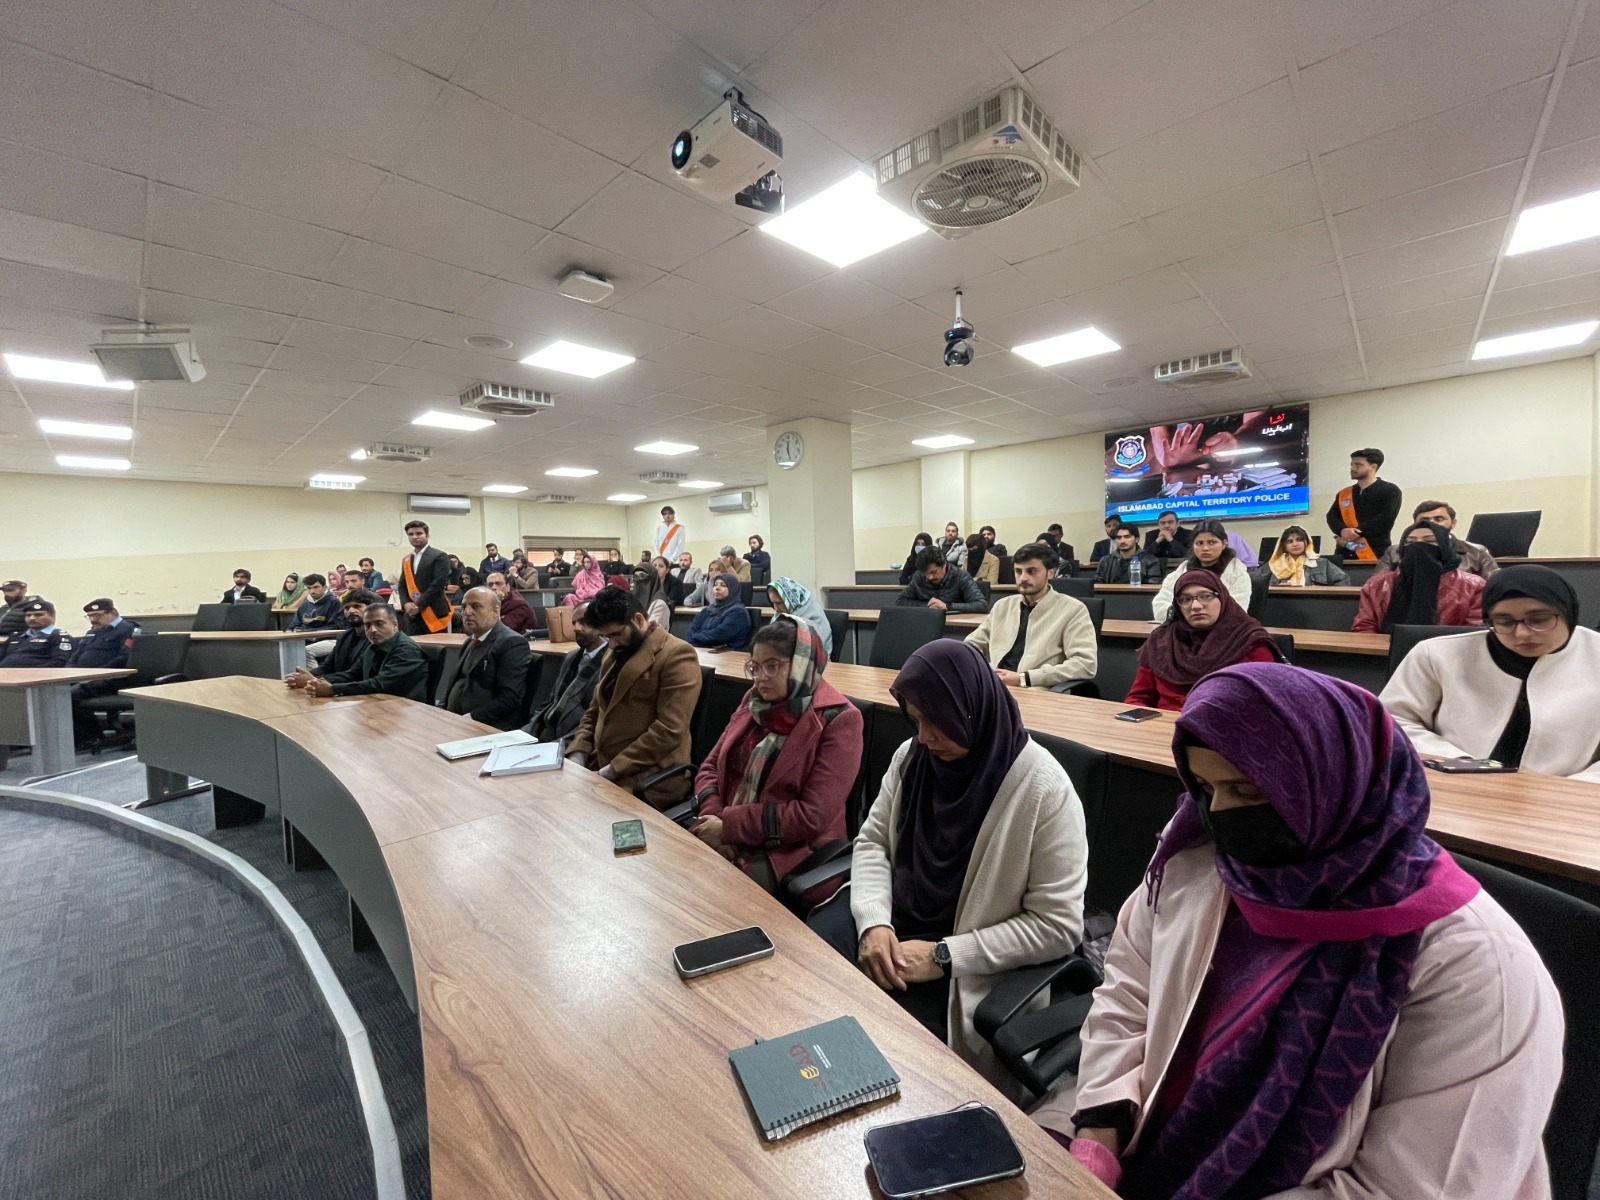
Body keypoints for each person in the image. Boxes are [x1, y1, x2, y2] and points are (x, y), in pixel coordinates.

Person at [1036, 663, 1563, 1199]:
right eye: (1205, 788)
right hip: (1152, 1144)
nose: (1221, 813)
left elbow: (1417, 1187)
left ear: (1330, 784)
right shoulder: (1198, 860)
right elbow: (1129, 994)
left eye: (1248, 790)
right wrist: (1099, 1129)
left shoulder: (1476, 964)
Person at [809, 640, 1087, 1089]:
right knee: (811, 978)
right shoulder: (912, 758)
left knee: (883, 1054)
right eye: (915, 720)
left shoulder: (1044, 790)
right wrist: (874, 921)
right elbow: (873, 843)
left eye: (936, 722)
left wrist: (944, 956)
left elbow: (1057, 927)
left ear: (972, 710)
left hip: (971, 960)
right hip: (895, 922)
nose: (923, 737)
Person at [690, 617, 861, 897]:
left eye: (772, 666)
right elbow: (710, 766)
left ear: (802, 664)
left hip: (788, 849)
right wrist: (716, 820)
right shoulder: (754, 699)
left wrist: (730, 827)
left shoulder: (840, 719)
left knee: (709, 893)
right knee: (675, 875)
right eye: (755, 667)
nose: (760, 678)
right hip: (724, 825)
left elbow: (811, 815)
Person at [1382, 565, 1600, 780]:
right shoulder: (1437, 654)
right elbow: (1393, 720)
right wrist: (1462, 764)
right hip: (1455, 782)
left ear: (1568, 613)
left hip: (1569, 793)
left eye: (1539, 619)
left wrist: (1573, 789)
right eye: (1504, 621)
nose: (1522, 633)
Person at [566, 585, 703, 803]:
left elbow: (669, 730)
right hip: (601, 765)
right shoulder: (615, 652)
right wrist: (578, 753)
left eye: (616, 634)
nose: (611, 644)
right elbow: (595, 710)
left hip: (647, 775)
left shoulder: (677, 655)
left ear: (638, 620)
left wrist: (612, 770)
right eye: (606, 636)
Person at [1125, 568, 1283, 711]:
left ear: (1222, 597)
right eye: (1185, 599)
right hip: (1161, 728)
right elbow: (1137, 698)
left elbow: (1263, 706)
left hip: (1224, 729)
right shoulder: (1161, 641)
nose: (1195, 606)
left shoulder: (1249, 641)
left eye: (1206, 596)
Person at [965, 542, 1096, 689]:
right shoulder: (1003, 606)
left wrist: (1024, 678)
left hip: (1036, 689)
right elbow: (973, 644)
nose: (1023, 578)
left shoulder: (1073, 610)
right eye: (1018, 571)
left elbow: (1085, 664)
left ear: (1050, 573)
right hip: (994, 685)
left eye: (1031, 571)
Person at [1353, 520, 1486, 633]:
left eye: (1429, 541)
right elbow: (1364, 627)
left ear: (1445, 547)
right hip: (1387, 652)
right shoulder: (1376, 584)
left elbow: (1473, 632)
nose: (1418, 546)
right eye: (1410, 542)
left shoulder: (1474, 586)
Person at [285, 603, 428, 701]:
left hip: (407, 712)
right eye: (368, 625)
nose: (372, 630)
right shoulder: (374, 646)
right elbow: (353, 674)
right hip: (378, 703)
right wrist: (315, 681)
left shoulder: (407, 650)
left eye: (379, 624)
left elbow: (379, 684)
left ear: (395, 624)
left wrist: (333, 689)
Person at [435, 587, 531, 730]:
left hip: (486, 727)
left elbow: (509, 700)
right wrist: (440, 711)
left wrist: (468, 719)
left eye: (476, 606)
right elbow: (455, 684)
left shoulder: (512, 643)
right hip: (455, 722)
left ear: (495, 611)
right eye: (464, 607)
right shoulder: (469, 642)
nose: (467, 612)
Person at [525, 601, 605, 744]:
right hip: (546, 729)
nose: (576, 628)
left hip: (574, 739)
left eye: (584, 622)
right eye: (574, 623)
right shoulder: (572, 657)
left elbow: (596, 718)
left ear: (602, 625)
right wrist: (530, 729)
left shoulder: (610, 661)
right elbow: (552, 700)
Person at [66, 598, 141, 747]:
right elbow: (75, 656)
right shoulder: (92, 632)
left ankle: (91, 736)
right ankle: (78, 737)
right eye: (89, 616)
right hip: (86, 677)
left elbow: (124, 658)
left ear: (112, 613)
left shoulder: (128, 630)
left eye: (97, 615)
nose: (93, 620)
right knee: (56, 691)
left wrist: (98, 673)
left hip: (113, 678)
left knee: (69, 695)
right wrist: (68, 673)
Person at [1150, 519, 1251, 621]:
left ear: (1224, 543)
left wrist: (1191, 613)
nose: (1205, 548)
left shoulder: (1237, 573)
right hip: (1182, 627)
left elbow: (1237, 612)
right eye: (1199, 543)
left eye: (1212, 542)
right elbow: (1159, 608)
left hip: (1224, 629)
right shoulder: (1181, 571)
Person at [1376, 499, 1499, 579]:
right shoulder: (1394, 552)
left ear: (1453, 523)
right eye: (1425, 520)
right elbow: (1377, 586)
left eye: (1439, 519)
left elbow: (1495, 586)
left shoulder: (1476, 552)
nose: (1432, 523)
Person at [1327, 446, 1403, 561]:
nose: (1353, 468)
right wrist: (1342, 530)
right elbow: (1331, 517)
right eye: (1352, 464)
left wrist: (1358, 532)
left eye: (1358, 465)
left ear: (1373, 467)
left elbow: (1385, 519)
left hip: (1375, 552)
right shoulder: (1344, 494)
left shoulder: (1390, 490)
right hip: (1344, 552)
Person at [399, 520, 453, 636]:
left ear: (427, 535)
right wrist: (405, 603)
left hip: (433, 611)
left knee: (436, 646)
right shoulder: (406, 559)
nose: (415, 537)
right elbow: (402, 585)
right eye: (411, 534)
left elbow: (438, 584)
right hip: (412, 615)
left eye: (419, 533)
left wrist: (418, 605)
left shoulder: (439, 556)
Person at [896, 547, 989, 614]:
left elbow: (982, 605)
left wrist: (948, 606)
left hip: (954, 626)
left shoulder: (960, 576)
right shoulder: (919, 576)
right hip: (926, 622)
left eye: (933, 572)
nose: (930, 577)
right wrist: (928, 606)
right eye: (926, 573)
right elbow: (901, 601)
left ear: (944, 565)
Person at [1253, 524, 1351, 587]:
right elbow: (1253, 582)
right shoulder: (1273, 565)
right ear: (1283, 546)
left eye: (1299, 540)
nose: (1295, 544)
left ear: (1306, 542)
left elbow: (1343, 581)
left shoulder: (1322, 564)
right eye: (1289, 541)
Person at [312, 590, 380, 678]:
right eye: (347, 608)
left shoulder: (376, 638)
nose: (351, 611)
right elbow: (327, 667)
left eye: (357, 606)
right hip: (337, 683)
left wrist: (315, 679)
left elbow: (357, 675)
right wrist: (306, 676)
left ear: (372, 609)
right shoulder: (344, 637)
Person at [767, 576, 832, 658]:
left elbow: (812, 652)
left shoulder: (814, 616)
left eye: (779, 603)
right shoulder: (781, 615)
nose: (775, 608)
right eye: (773, 603)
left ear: (791, 601)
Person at [685, 573, 751, 650]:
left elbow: (717, 636)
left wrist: (694, 637)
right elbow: (690, 632)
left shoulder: (738, 613)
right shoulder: (707, 610)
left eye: (723, 585)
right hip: (703, 651)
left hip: (727, 654)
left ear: (733, 589)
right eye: (715, 585)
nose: (717, 588)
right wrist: (693, 638)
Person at [0, 600, 73, 667]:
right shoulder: (16, 637)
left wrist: (31, 673)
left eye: (38, 615)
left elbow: (60, 662)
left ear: (52, 617)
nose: (32, 618)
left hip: (36, 675)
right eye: (28, 615)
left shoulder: (59, 636)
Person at [1094, 523, 1160, 585]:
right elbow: (1097, 584)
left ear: (1137, 539)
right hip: (1109, 593)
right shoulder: (1105, 560)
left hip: (1139, 593)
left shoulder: (1151, 560)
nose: (1122, 541)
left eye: (1127, 537)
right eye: (1119, 538)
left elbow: (1152, 586)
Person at [631, 561, 674, 628]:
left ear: (652, 578)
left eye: (642, 576)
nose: (639, 580)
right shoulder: (631, 600)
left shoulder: (660, 604)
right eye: (635, 577)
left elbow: (651, 630)